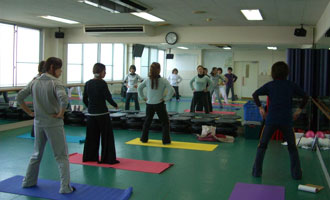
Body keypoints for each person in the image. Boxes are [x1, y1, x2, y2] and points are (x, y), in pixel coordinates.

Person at [17, 57, 75, 193]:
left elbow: (19, 97)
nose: (61, 71)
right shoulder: (56, 83)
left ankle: (28, 181)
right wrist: (61, 113)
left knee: (36, 154)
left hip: (38, 123)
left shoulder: (34, 82)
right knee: (61, 156)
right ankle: (65, 187)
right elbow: (64, 99)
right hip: (53, 123)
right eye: (60, 68)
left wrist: (29, 112)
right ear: (52, 68)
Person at [251, 61, 308, 180]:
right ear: (286, 72)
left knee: (262, 146)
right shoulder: (291, 85)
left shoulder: (270, 85)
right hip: (286, 120)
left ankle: (256, 172)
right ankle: (296, 174)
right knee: (292, 148)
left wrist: (260, 108)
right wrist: (299, 110)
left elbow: (255, 94)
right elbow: (305, 97)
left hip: (271, 120)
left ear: (273, 73)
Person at [83, 63, 119, 164]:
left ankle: (90, 157)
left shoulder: (88, 83)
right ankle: (107, 158)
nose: (105, 73)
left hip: (91, 115)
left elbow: (85, 98)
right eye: (104, 71)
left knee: (91, 137)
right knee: (106, 137)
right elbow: (107, 97)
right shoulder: (102, 83)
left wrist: (89, 106)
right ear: (100, 72)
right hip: (102, 114)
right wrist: (115, 104)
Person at [138, 62, 174, 144]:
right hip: (159, 104)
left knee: (147, 121)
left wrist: (143, 98)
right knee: (165, 122)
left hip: (149, 104)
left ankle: (144, 139)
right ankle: (166, 140)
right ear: (159, 70)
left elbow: (139, 88)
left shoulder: (147, 80)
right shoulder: (163, 80)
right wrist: (165, 99)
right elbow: (172, 90)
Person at [31, 60, 46, 137]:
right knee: (38, 116)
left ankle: (39, 132)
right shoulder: (36, 79)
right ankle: (34, 132)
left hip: (42, 99)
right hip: (38, 99)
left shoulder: (42, 78)